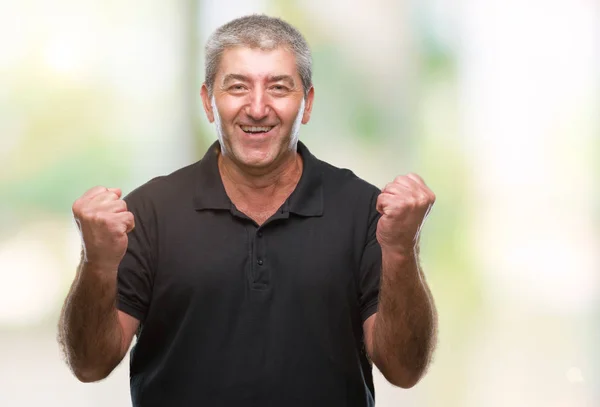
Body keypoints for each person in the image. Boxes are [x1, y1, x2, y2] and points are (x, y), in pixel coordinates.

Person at [58, 14, 438, 407]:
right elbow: (90, 365)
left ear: (306, 104)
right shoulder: (147, 213)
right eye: (238, 87)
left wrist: (399, 251)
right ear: (208, 101)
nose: (258, 108)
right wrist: (97, 263)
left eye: (278, 87)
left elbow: (404, 370)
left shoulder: (364, 211)